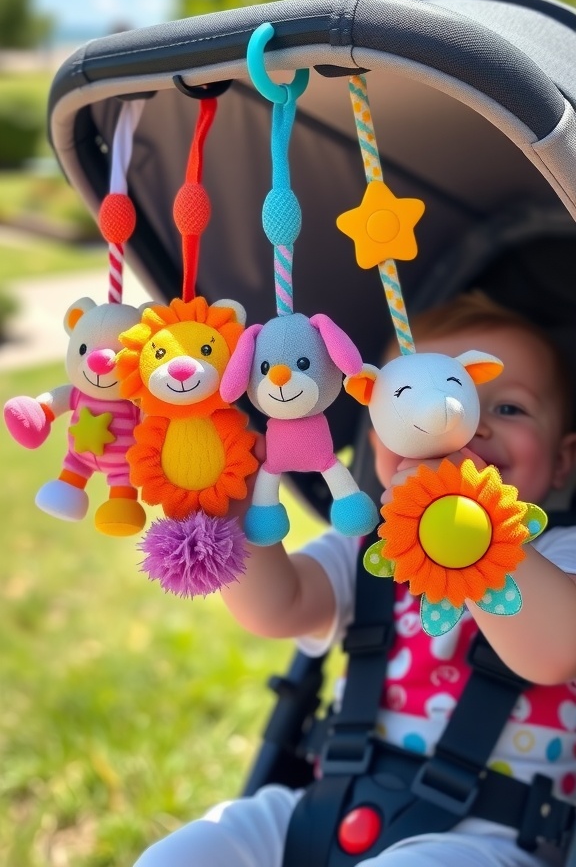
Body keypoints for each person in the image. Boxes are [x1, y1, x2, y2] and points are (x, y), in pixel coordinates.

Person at [134, 292, 576, 867]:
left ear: (565, 461)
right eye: (411, 400)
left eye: (508, 409)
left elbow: (554, 651)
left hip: (491, 835)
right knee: (186, 855)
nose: (460, 422)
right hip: (330, 801)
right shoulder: (367, 551)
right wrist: (226, 494)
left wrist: (466, 520)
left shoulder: (560, 556)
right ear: (378, 443)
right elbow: (279, 607)